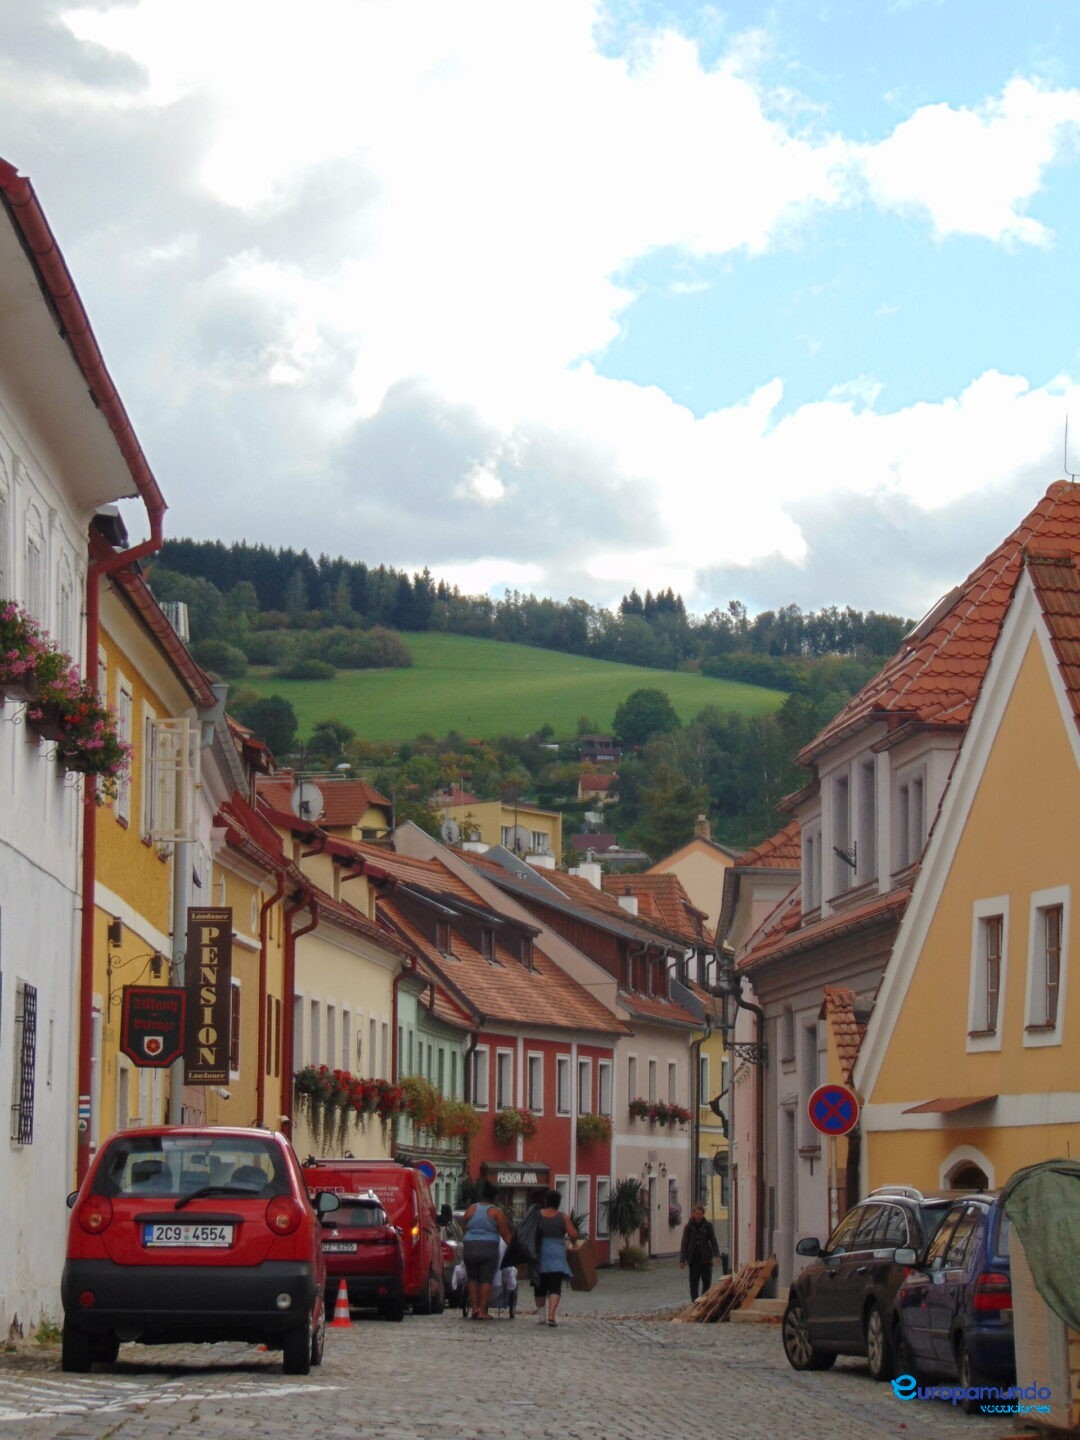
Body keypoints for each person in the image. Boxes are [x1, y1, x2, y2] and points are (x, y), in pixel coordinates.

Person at [462, 1182, 512, 1320]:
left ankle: (474, 1308)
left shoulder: (472, 1208)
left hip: (469, 1246)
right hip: (489, 1247)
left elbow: (464, 1226)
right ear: (495, 1197)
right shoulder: (497, 1212)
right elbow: (504, 1233)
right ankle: (483, 1311)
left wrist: (468, 1238)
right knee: (486, 1278)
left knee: (472, 1277)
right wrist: (514, 1248)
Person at [533, 1189, 578, 1327]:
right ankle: (551, 1314)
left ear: (546, 1201)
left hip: (540, 1252)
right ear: (558, 1203)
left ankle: (541, 1316)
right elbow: (573, 1234)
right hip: (557, 1253)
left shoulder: (537, 1215)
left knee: (539, 1285)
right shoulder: (563, 1217)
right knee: (555, 1286)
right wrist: (574, 1243)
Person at [679, 1203, 721, 1301]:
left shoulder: (708, 1226)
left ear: (703, 1214)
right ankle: (695, 1302)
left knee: (707, 1282)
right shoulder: (688, 1227)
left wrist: (717, 1255)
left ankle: (704, 1301)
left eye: (700, 1214)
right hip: (693, 1259)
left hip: (705, 1258)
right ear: (693, 1214)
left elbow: (713, 1240)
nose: (698, 1216)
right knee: (694, 1282)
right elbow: (684, 1243)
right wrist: (682, 1260)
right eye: (697, 1214)